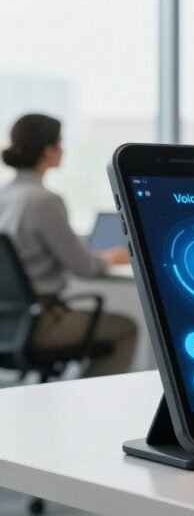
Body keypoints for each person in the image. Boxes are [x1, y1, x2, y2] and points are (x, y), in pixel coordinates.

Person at [0, 114, 137, 377]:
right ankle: (84, 400)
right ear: (47, 150)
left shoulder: (5, 195)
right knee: (125, 329)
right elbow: (84, 267)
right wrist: (110, 258)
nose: (63, 150)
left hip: (7, 322)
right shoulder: (43, 201)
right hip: (38, 321)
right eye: (60, 143)